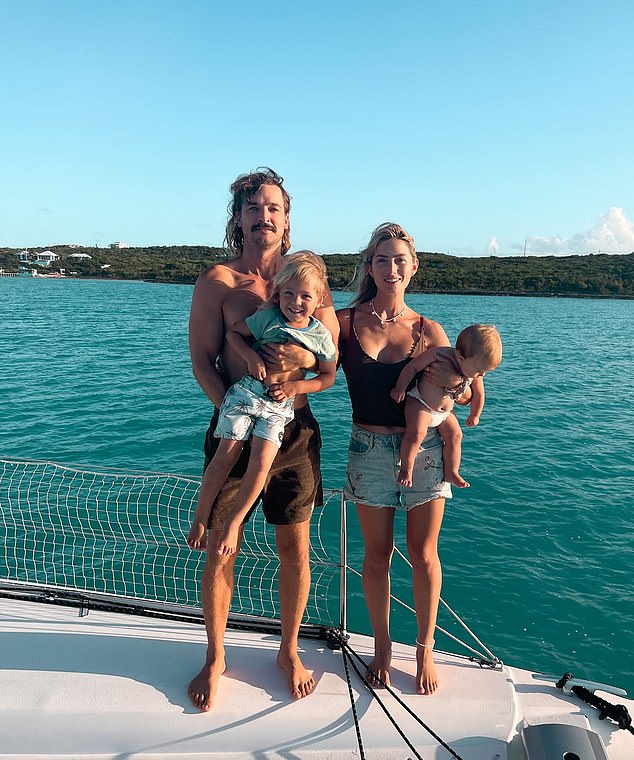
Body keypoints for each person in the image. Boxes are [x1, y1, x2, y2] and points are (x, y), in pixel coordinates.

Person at [187, 168, 339, 711]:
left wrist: (302, 371)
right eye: (254, 209)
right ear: (239, 218)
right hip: (236, 423)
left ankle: (288, 650)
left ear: (287, 218)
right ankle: (215, 655)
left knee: (294, 546)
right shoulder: (218, 282)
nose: (264, 217)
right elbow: (203, 361)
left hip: (293, 434)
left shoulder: (308, 280)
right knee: (219, 546)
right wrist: (233, 414)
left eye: (273, 208)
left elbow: (328, 362)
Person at [337, 222, 471, 696]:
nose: (390, 268)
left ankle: (425, 647)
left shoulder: (428, 330)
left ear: (413, 267)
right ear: (368, 266)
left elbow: (460, 386)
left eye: (400, 260)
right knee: (376, 558)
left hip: (427, 452)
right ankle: (382, 647)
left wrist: (461, 392)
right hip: (367, 450)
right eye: (381, 259)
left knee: (423, 554)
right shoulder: (346, 322)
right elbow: (309, 362)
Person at [187, 251, 336, 556]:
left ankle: (235, 521)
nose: (296, 302)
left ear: (319, 298)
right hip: (244, 397)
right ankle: (200, 517)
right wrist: (251, 357)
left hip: (280, 411)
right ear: (278, 294)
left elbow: (328, 375)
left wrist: (297, 382)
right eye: (289, 294)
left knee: (261, 463)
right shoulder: (266, 316)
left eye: (306, 296)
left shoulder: (320, 335)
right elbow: (233, 336)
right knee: (225, 455)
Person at [390, 324, 502, 489]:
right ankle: (406, 469)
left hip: (445, 413)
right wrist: (400, 388)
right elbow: (413, 367)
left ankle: (451, 471)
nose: (482, 375)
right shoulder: (439, 355)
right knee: (416, 433)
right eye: (480, 371)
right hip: (421, 402)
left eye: (485, 372)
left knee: (456, 436)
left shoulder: (475, 368)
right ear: (461, 358)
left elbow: (479, 394)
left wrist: (475, 414)